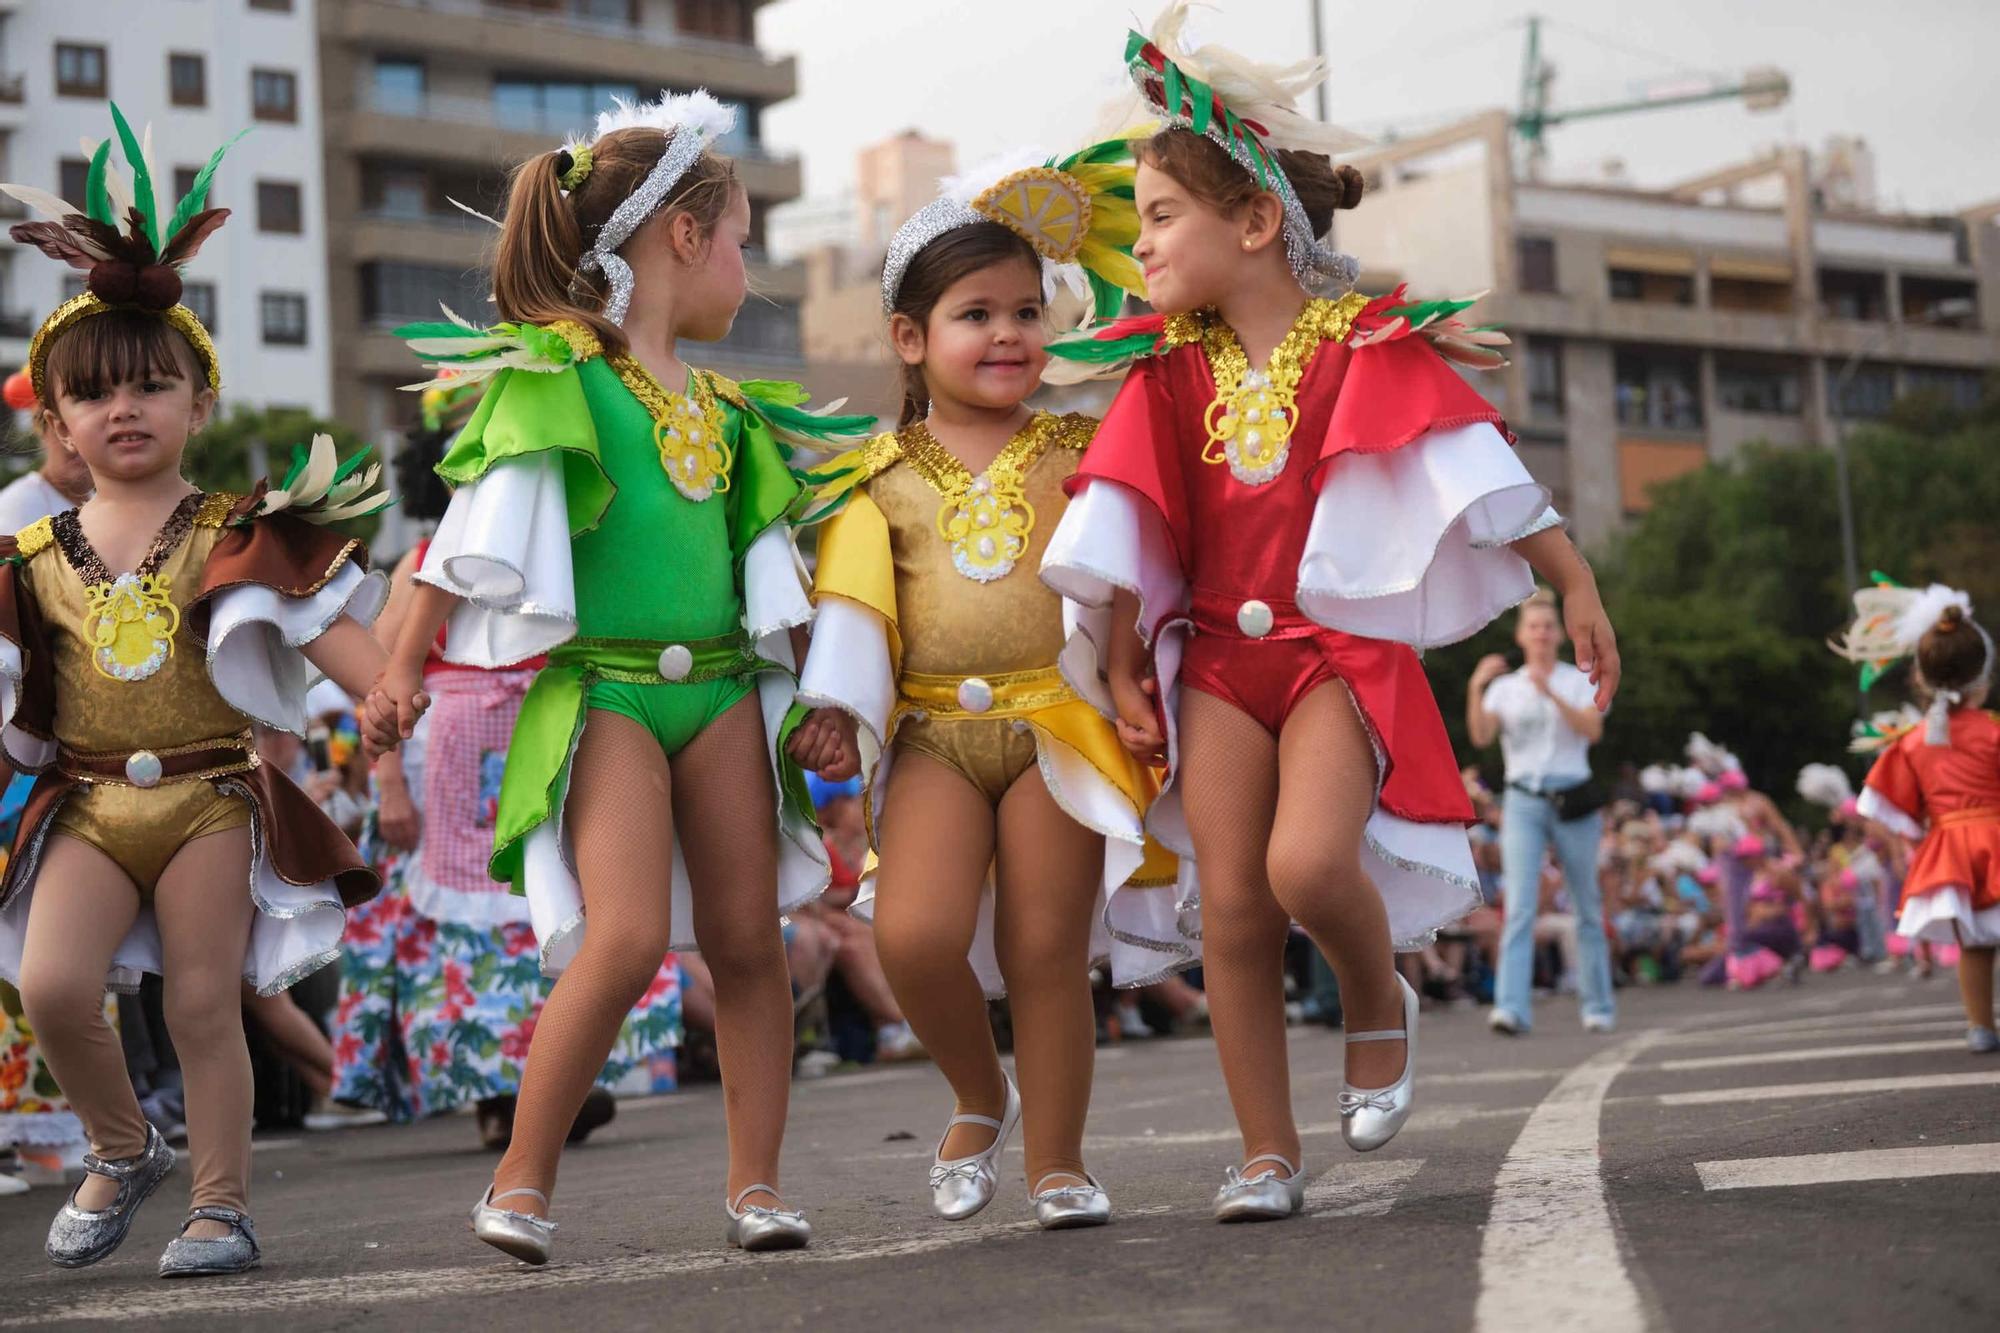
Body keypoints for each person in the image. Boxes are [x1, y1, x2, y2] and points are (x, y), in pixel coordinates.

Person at [1040, 4, 1619, 1223]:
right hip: (1211, 660)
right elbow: (1121, 521)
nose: (1135, 245)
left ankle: (1372, 992)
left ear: (1254, 221)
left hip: (1331, 656)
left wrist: (1571, 580)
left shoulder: (1362, 341)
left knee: (1304, 865)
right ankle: (1263, 1150)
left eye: (1158, 217)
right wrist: (1113, 657)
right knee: (1233, 904)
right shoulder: (1161, 364)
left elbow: (1464, 462)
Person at [363, 92, 873, 1263]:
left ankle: (757, 1187)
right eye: (740, 237)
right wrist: (397, 669)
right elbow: (462, 534)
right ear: (682, 239)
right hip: (608, 694)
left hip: (724, 696)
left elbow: (771, 577)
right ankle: (521, 1178)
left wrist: (825, 702)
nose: (749, 265)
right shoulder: (559, 383)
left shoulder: (732, 414)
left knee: (751, 941)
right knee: (629, 932)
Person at [0, 107, 389, 1276]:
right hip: (85, 800)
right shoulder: (24, 558)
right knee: (53, 985)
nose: (125, 409)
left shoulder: (239, 531)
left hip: (214, 799)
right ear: (58, 420)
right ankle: (123, 1147)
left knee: (202, 1004)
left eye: (153, 386)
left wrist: (385, 695)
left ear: (199, 403)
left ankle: (220, 1204)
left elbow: (326, 629)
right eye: (97, 395)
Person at [792, 142, 1185, 1231]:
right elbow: (847, 612)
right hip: (928, 736)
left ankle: (1057, 1159)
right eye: (974, 313)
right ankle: (978, 1093)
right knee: (911, 937)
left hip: (1054, 727)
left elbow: (1120, 583)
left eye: (1024, 310)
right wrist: (827, 709)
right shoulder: (866, 474)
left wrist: (1129, 678)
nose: (1006, 333)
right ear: (910, 340)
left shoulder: (1080, 449)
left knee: (1044, 951)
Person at [329, 544, 679, 1146]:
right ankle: (495, 1093)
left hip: (552, 737)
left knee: (559, 908)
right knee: (464, 938)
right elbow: (381, 682)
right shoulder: (431, 560)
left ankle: (558, 1082)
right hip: (446, 775)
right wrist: (389, 786)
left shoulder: (564, 547)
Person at [1832, 580, 2000, 1052]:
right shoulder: (1992, 730)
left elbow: (1893, 804)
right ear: (1982, 676)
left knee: (1975, 945)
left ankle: (1980, 1025)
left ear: (1923, 678)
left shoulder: (1913, 740)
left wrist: (1919, 836)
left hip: (1952, 848)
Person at [1467, 590, 1617, 1033]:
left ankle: (1598, 1006)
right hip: (1524, 798)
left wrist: (1549, 691)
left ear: (1559, 634)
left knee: (1586, 903)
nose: (1541, 634)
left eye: (1549, 626)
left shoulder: (1576, 679)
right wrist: (1476, 687)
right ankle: (1511, 1007)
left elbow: (1592, 730)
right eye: (1533, 626)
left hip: (1571, 797)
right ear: (1521, 634)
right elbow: (1480, 736)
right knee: (1520, 905)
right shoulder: (1505, 688)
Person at [0, 403, 92, 534]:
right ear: (42, 431)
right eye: (64, 429)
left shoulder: (101, 500)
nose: (74, 443)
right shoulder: (18, 505)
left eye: (89, 431)